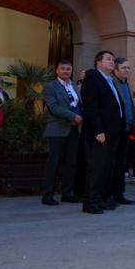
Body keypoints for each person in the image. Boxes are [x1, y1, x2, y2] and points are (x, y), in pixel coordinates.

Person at [81, 51, 125, 214]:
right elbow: (91, 107)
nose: (112, 62)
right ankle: (90, 202)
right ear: (98, 62)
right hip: (99, 134)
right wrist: (98, 130)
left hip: (112, 133)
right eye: (108, 59)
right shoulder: (93, 78)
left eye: (113, 60)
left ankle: (100, 199)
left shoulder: (110, 80)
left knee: (106, 168)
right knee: (96, 168)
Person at [41, 60, 83, 206]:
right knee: (54, 162)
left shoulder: (76, 87)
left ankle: (67, 193)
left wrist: (81, 118)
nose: (66, 71)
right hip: (57, 129)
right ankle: (47, 195)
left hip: (74, 129)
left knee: (71, 163)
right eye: (63, 69)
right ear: (57, 71)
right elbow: (53, 107)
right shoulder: (50, 86)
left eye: (68, 69)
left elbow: (80, 105)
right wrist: (73, 116)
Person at [110, 57, 135, 205]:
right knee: (112, 163)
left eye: (128, 68)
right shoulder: (112, 83)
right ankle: (110, 194)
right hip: (115, 130)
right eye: (124, 68)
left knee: (121, 163)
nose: (127, 70)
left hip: (126, 130)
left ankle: (119, 193)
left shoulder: (127, 84)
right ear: (116, 70)